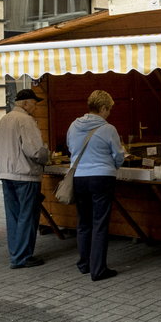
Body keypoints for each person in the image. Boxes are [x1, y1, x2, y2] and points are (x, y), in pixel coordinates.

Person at [66, 90, 124, 281]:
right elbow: (118, 156)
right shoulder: (108, 129)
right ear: (103, 108)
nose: (109, 114)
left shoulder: (74, 126)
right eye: (109, 110)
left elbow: (71, 149)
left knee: (83, 222)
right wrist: (112, 166)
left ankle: (84, 264)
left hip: (80, 177)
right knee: (99, 224)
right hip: (101, 178)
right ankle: (98, 269)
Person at [0, 88, 50, 269]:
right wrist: (46, 154)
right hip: (25, 175)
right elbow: (34, 150)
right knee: (27, 216)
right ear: (26, 103)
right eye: (34, 103)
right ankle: (23, 257)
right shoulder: (26, 120)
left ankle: (15, 254)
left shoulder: (5, 119)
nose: (36, 107)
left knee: (14, 216)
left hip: (6, 174)